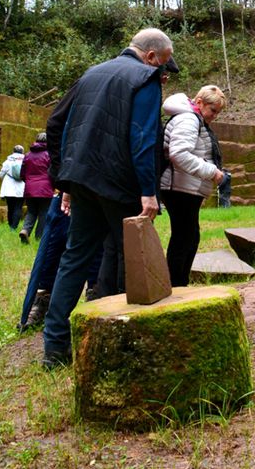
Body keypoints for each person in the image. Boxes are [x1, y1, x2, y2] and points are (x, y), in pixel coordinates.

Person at [41, 27, 175, 368]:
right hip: (118, 181)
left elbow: (61, 124)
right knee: (135, 257)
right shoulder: (144, 78)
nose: (163, 74)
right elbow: (142, 137)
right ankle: (132, 342)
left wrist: (64, 178)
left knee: (75, 258)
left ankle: (54, 348)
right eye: (163, 66)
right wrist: (148, 191)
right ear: (150, 58)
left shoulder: (92, 73)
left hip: (83, 177)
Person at [160, 85, 226, 287]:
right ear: (199, 102)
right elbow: (179, 154)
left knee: (188, 237)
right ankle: (175, 286)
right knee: (184, 238)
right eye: (212, 110)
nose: (214, 116)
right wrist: (211, 171)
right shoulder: (188, 119)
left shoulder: (194, 118)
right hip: (179, 188)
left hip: (184, 187)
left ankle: (179, 284)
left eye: (217, 112)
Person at [18, 133, 54, 243]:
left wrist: (29, 182)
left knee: (31, 211)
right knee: (44, 212)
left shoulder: (28, 155)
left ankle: (25, 230)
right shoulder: (49, 155)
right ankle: (39, 237)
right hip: (45, 189)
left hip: (30, 188)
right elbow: (53, 172)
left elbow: (22, 174)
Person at [0, 144, 25, 230]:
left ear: (13, 151)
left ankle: (11, 225)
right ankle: (14, 227)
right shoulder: (26, 161)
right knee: (18, 207)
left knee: (10, 207)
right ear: (22, 152)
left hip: (9, 189)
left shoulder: (8, 161)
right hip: (21, 188)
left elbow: (0, 175)